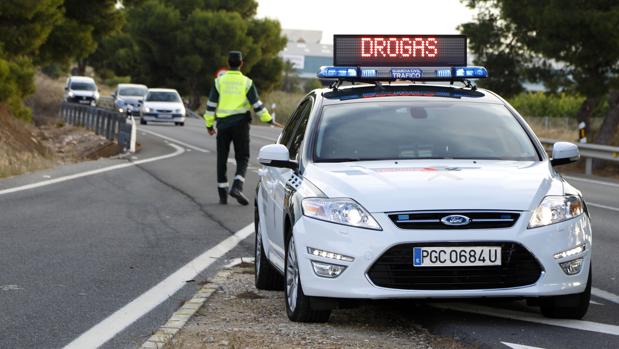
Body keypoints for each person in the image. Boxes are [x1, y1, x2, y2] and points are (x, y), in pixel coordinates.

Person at [204, 51, 273, 205]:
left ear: (228, 63)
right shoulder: (247, 82)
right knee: (242, 157)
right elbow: (257, 106)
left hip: (222, 125)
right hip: (240, 124)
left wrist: (209, 124)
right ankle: (237, 185)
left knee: (222, 158)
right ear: (242, 64)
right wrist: (268, 119)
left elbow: (210, 106)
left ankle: (222, 194)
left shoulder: (219, 82)